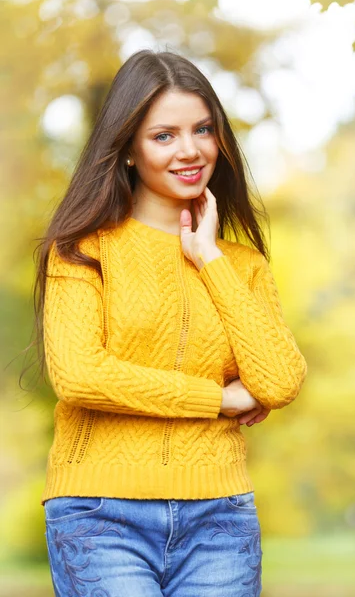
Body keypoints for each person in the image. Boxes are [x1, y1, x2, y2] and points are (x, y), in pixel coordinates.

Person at [37, 48, 307, 597]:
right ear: (129, 148)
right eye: (164, 136)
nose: (190, 150)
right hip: (98, 513)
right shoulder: (80, 251)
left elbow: (279, 381)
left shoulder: (242, 265)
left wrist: (210, 258)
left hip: (220, 519)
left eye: (203, 129)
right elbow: (80, 375)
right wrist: (219, 398)